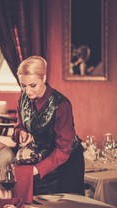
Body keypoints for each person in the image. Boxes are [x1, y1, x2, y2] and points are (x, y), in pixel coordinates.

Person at [13, 55, 84, 195]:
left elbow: (63, 149)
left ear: (44, 78)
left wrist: (37, 169)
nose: (28, 91)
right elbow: (19, 124)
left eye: (33, 85)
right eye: (23, 86)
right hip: (41, 160)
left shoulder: (61, 105)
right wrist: (21, 132)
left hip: (66, 165)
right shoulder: (23, 98)